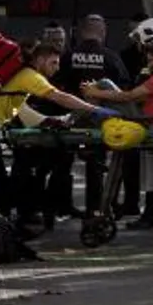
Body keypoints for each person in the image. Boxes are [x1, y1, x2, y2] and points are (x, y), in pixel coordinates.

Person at [0, 42, 118, 234]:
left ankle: (7, 226)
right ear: (40, 59)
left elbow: (23, 112)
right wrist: (94, 109)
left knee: (3, 182)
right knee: (3, 182)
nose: (57, 68)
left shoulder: (20, 76)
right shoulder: (30, 76)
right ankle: (3, 228)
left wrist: (52, 121)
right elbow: (59, 97)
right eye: (54, 63)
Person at [84, 38, 153, 226]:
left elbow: (129, 95)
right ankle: (86, 110)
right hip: (151, 119)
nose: (148, 64)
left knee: (105, 84)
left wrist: (95, 94)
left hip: (144, 121)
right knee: (103, 87)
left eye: (150, 60)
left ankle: (81, 116)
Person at [57, 14, 133, 219]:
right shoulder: (111, 57)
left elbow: (55, 85)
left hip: (70, 118)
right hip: (100, 120)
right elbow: (123, 90)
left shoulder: (68, 57)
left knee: (62, 163)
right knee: (96, 164)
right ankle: (95, 207)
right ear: (103, 33)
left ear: (81, 32)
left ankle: (62, 206)